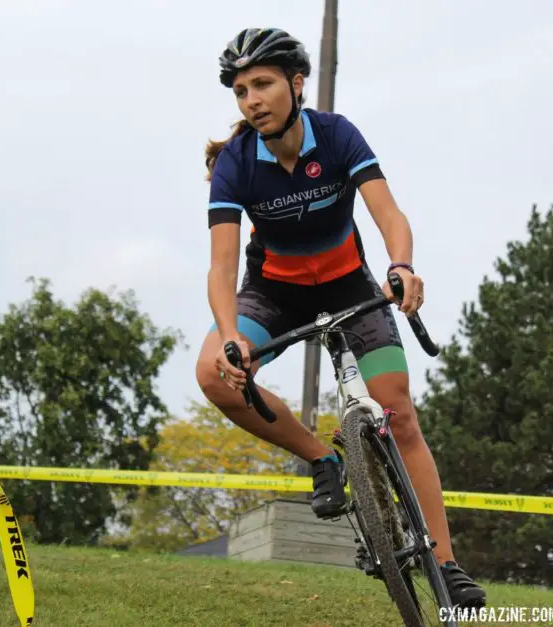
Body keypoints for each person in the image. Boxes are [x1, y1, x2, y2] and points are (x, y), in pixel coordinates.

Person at [195, 27, 486, 609]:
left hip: (349, 286)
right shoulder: (235, 164)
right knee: (211, 374)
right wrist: (230, 337)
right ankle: (323, 457)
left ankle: (447, 566)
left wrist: (401, 266)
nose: (251, 99)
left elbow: (389, 214)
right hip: (274, 295)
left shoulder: (336, 134)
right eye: (240, 91)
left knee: (399, 414)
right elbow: (221, 268)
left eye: (262, 84)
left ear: (295, 83)